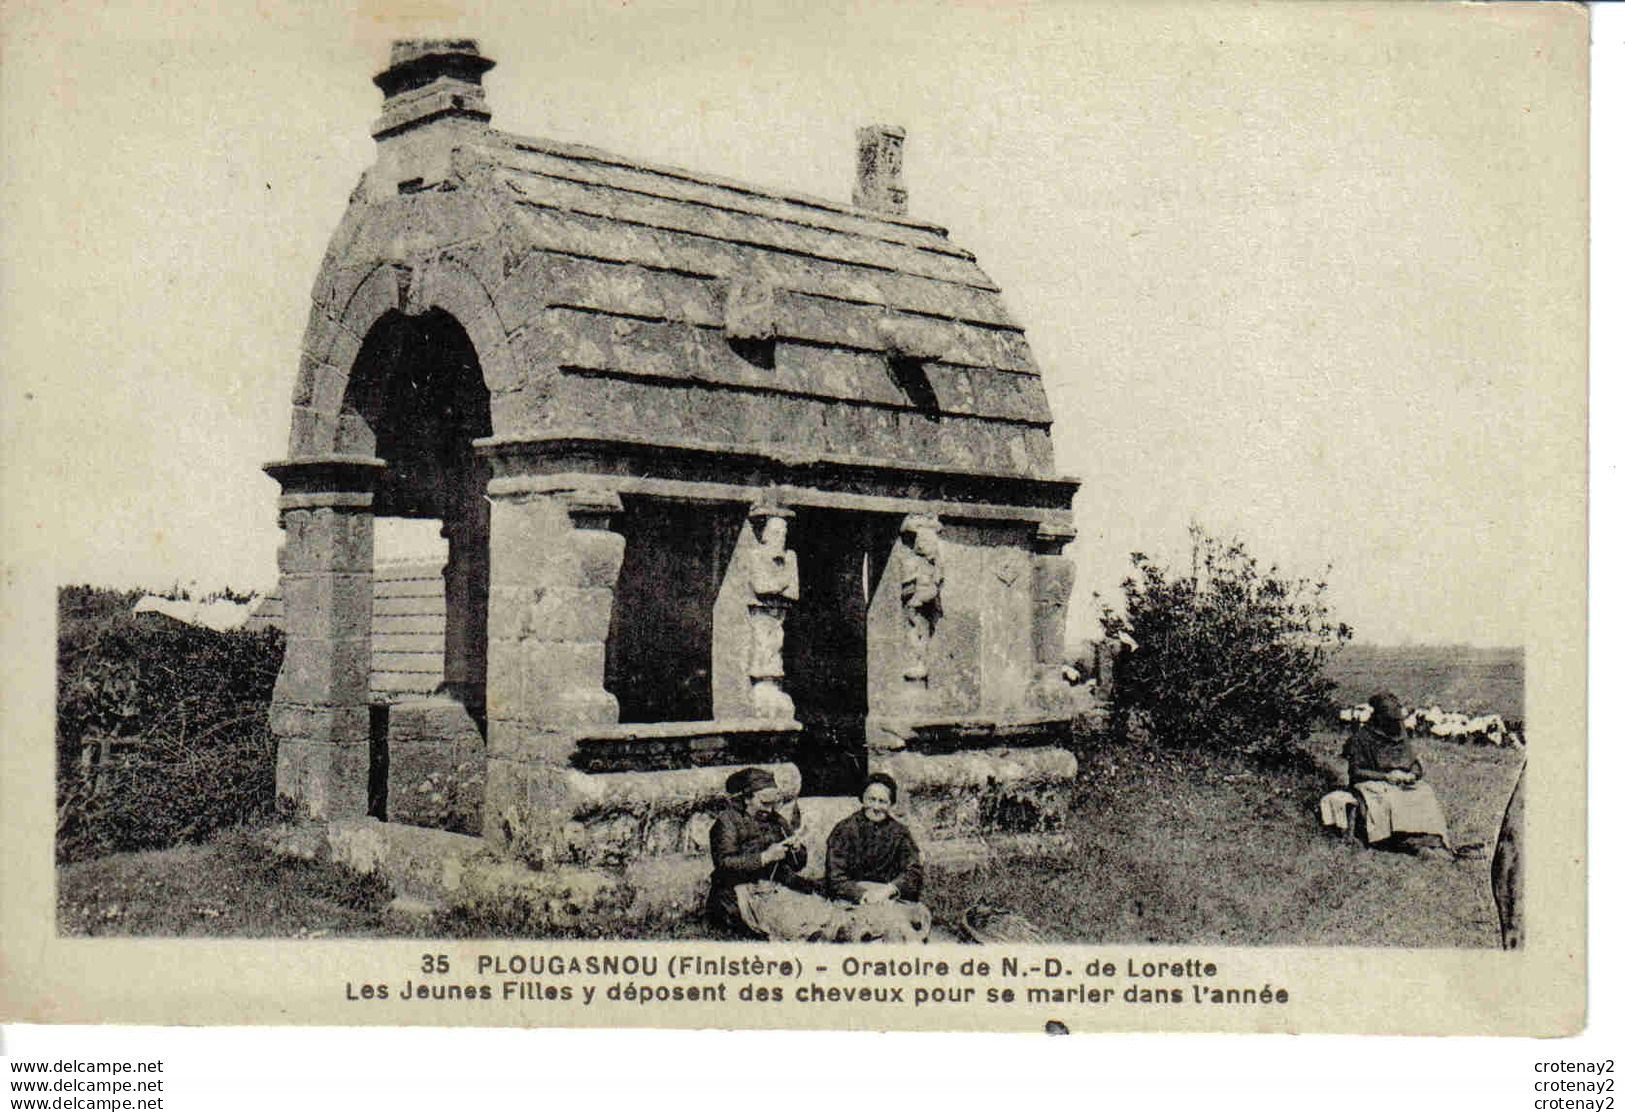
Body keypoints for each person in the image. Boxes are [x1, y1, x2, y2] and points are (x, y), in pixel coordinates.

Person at [1341, 691, 1455, 856]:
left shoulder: (1400, 736)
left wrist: (1412, 775)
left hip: (1400, 781)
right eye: (1390, 721)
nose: (1395, 725)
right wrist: (1386, 777)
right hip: (1371, 782)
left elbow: (1415, 765)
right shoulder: (1361, 738)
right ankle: (1403, 840)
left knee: (1425, 792)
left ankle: (1430, 838)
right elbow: (1356, 771)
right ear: (1379, 718)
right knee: (1392, 798)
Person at [824, 772, 931, 941]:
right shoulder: (844, 830)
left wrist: (889, 890)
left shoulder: (900, 833)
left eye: (882, 801)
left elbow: (913, 871)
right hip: (853, 901)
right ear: (862, 799)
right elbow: (835, 877)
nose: (876, 807)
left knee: (903, 930)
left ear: (891, 804)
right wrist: (864, 894)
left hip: (889, 901)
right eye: (871, 799)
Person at [706, 767, 807, 934]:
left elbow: (798, 866)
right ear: (747, 798)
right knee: (778, 923)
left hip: (774, 887)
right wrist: (764, 858)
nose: (768, 810)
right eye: (763, 803)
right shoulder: (727, 822)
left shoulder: (777, 820)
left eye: (772, 804)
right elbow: (724, 863)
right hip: (735, 892)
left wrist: (796, 849)